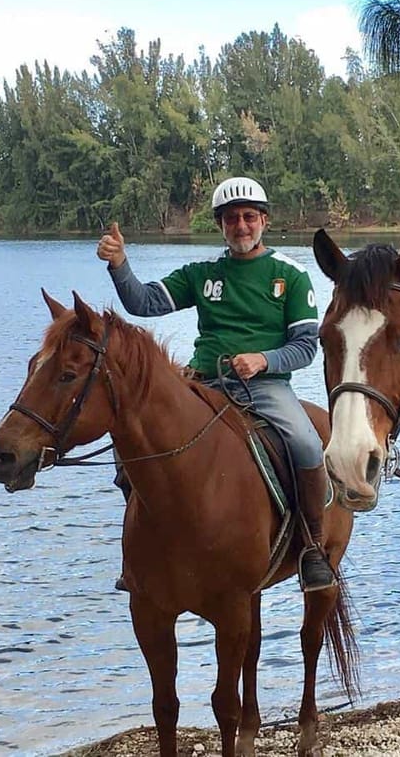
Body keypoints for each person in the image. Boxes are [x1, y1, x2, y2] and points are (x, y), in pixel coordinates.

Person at [96, 175, 337, 594]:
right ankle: (144, 543)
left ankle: (313, 546)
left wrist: (264, 359)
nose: (240, 226)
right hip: (203, 380)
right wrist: (120, 266)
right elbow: (144, 302)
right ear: (220, 225)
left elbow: (305, 347)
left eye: (248, 217)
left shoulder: (291, 276)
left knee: (307, 443)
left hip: (265, 386)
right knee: (130, 431)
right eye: (230, 219)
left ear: (263, 221)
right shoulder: (203, 273)